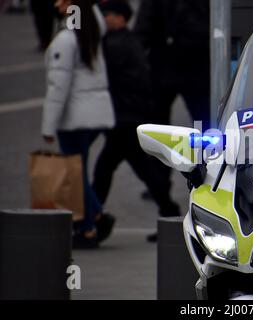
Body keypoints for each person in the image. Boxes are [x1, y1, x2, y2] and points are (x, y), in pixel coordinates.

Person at [92, 0, 181, 237]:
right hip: (129, 118)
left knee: (106, 170)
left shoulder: (117, 45)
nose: (105, 19)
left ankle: (93, 220)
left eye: (108, 14)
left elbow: (116, 83)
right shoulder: (126, 42)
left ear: (121, 17)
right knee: (142, 171)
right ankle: (170, 214)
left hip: (124, 119)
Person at [41, 0, 115, 249]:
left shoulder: (66, 40)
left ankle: (90, 225)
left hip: (74, 118)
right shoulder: (90, 32)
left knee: (74, 172)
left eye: (64, 0)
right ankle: (95, 218)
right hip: (93, 115)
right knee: (78, 169)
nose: (58, 4)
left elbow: (57, 87)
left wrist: (48, 126)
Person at [133, 0, 210, 216]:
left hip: (168, 65)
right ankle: (204, 174)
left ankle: (161, 183)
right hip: (191, 65)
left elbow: (143, 29)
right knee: (201, 124)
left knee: (160, 129)